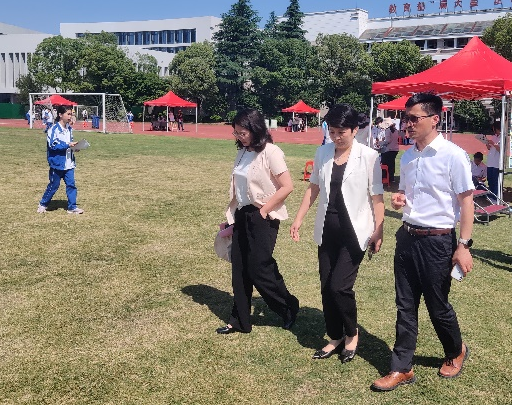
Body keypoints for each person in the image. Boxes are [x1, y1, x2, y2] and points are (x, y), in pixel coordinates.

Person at [372, 93, 474, 392]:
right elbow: (406, 195)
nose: (408, 124)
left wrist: (463, 245)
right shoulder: (408, 156)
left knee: (437, 305)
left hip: (437, 241)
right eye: (406, 118)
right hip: (407, 236)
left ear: (434, 119)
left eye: (414, 118)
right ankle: (401, 367)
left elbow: (466, 202)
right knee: (405, 305)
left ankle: (455, 350)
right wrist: (400, 199)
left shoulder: (453, 155)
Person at [290, 104, 384, 362]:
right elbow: (313, 188)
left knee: (339, 287)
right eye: (332, 131)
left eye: (341, 132)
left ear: (354, 130)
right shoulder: (323, 152)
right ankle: (335, 336)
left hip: (355, 231)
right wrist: (298, 218)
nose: (336, 137)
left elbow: (377, 197)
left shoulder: (369, 156)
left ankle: (352, 333)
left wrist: (379, 230)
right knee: (325, 286)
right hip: (327, 229)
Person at [216, 108, 299, 335]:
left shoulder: (271, 152)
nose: (239, 137)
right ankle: (239, 320)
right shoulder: (243, 152)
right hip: (242, 214)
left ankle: (288, 306)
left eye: (242, 133)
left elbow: (287, 186)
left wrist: (264, 210)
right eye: (236, 133)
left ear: (256, 129)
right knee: (240, 269)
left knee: (259, 268)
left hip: (264, 215)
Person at [37, 105, 84, 214]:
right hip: (57, 163)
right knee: (54, 185)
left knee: (71, 185)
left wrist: (75, 148)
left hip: (69, 163)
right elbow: (52, 146)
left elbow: (69, 144)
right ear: (60, 115)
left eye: (71, 114)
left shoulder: (69, 129)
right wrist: (68, 145)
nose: (70, 116)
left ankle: (72, 207)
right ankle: (43, 204)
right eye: (68, 114)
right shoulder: (53, 129)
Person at [485, 121, 501, 199]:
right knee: (490, 179)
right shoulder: (494, 136)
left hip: (497, 162)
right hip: (490, 161)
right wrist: (488, 145)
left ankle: (495, 196)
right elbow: (490, 148)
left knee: (495, 180)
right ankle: (491, 194)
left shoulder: (503, 137)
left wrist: (493, 144)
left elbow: (501, 149)